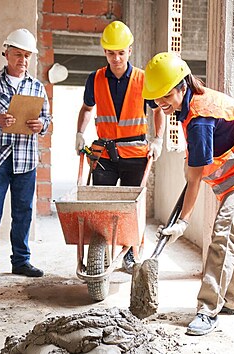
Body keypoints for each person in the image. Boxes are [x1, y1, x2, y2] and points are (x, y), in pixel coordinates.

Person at [142, 52, 234, 336]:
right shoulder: (185, 105)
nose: (160, 104)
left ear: (182, 85)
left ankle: (207, 310)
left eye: (165, 96)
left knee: (222, 234)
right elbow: (194, 168)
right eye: (156, 98)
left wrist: (183, 221)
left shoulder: (201, 118)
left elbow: (195, 179)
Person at [76, 21, 165, 273]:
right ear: (104, 52)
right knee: (101, 206)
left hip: (135, 154)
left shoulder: (143, 79)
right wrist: (79, 134)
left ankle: (130, 253)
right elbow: (86, 109)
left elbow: (157, 110)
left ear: (129, 50)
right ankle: (100, 249)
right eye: (111, 52)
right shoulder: (94, 79)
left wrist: (158, 139)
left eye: (121, 52)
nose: (116, 58)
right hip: (104, 153)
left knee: (130, 208)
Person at [0, 28, 51, 286]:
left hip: (25, 159)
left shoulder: (37, 87)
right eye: (17, 54)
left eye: (27, 56)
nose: (22, 60)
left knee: (23, 212)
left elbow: (47, 120)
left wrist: (41, 125)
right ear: (6, 53)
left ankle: (21, 261)